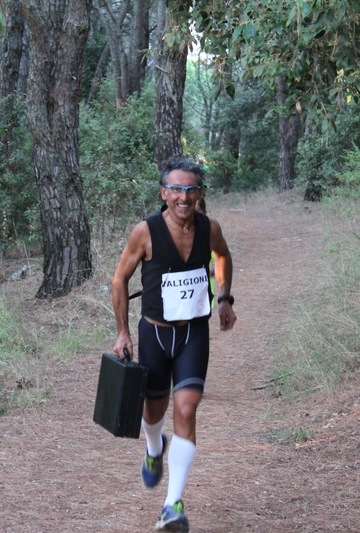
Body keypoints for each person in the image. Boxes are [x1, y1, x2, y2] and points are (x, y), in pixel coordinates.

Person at [111, 156, 237, 532]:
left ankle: (172, 505)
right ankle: (154, 449)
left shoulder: (209, 228)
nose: (184, 197)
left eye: (191, 189)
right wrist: (123, 333)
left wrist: (225, 298)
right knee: (154, 410)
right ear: (163, 192)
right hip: (154, 333)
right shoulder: (145, 232)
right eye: (176, 189)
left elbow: (223, 257)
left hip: (193, 334)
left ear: (199, 193)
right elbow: (119, 281)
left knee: (187, 407)